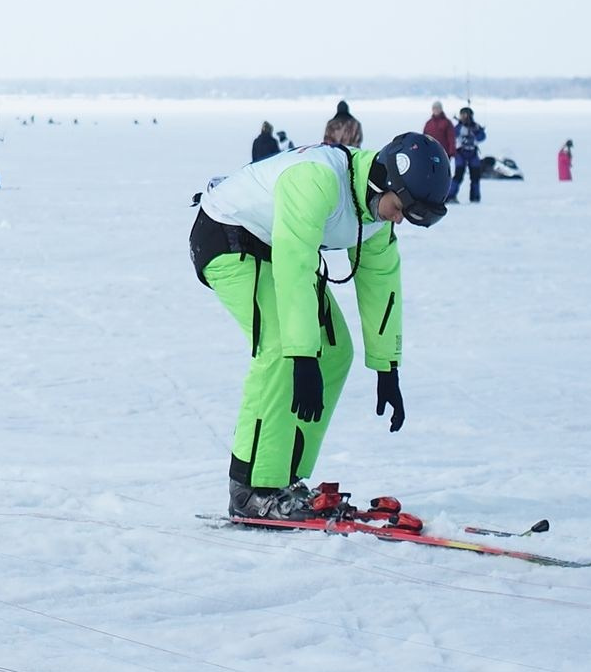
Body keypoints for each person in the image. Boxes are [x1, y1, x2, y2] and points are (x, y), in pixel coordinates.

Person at [189, 133, 449, 520]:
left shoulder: (375, 213)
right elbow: (295, 265)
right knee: (280, 347)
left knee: (334, 351)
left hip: (276, 247)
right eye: (399, 208)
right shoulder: (317, 180)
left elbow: (381, 285)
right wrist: (301, 355)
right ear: (385, 180)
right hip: (228, 237)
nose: (398, 219)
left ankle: (284, 479)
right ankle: (250, 489)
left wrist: (387, 367)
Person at [450, 106, 487, 203]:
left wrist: (475, 134)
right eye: (462, 115)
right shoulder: (459, 127)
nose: (463, 117)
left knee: (475, 176)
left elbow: (482, 136)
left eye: (465, 115)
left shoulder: (476, 126)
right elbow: (453, 134)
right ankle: (450, 196)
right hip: (460, 154)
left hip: (473, 154)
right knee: (458, 175)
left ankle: (475, 197)